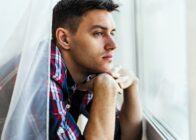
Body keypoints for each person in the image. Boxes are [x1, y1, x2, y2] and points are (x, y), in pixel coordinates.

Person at [49, 0, 142, 139]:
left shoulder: (85, 73)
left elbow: (124, 136)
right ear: (64, 39)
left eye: (112, 33)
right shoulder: (44, 78)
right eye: (98, 33)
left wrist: (132, 84)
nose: (113, 45)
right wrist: (106, 85)